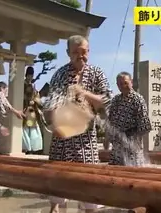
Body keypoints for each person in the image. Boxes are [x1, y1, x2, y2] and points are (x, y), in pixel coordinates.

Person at [43, 35, 111, 213]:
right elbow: (51, 105)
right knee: (57, 186)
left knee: (89, 186)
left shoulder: (97, 73)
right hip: (62, 139)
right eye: (75, 52)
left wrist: (84, 93)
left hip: (86, 139)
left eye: (84, 52)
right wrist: (54, 122)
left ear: (89, 52)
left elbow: (105, 102)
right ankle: (55, 208)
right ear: (67, 53)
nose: (80, 56)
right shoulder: (60, 74)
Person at [105, 72, 152, 166]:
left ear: (131, 82)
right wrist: (107, 137)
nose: (123, 86)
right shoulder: (115, 100)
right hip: (117, 144)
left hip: (132, 143)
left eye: (125, 83)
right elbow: (110, 120)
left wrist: (132, 140)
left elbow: (144, 125)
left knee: (132, 173)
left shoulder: (138, 99)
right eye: (120, 84)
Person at [22, 67, 44, 154]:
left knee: (33, 128)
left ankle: (32, 148)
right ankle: (26, 147)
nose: (30, 77)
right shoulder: (22, 84)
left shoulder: (33, 86)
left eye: (31, 75)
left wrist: (35, 100)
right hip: (24, 109)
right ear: (26, 75)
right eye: (29, 75)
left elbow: (36, 97)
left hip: (31, 110)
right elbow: (21, 96)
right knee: (25, 129)